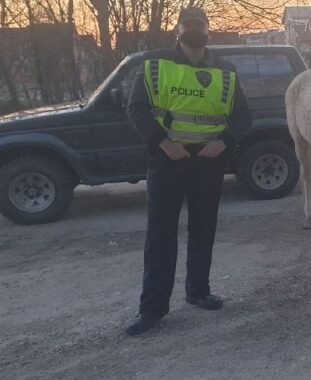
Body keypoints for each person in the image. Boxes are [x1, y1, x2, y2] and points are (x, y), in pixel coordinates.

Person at [125, 7, 250, 335]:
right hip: (168, 160)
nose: (195, 31)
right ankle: (151, 310)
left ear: (208, 32)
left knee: (203, 230)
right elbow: (135, 108)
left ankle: (198, 292)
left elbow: (242, 117)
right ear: (177, 30)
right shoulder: (154, 65)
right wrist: (162, 143)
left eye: (200, 26)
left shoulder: (226, 71)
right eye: (188, 26)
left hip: (208, 162)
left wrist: (224, 143)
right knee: (160, 236)